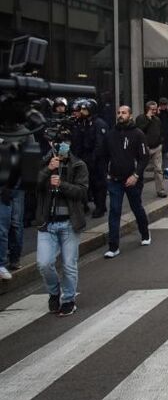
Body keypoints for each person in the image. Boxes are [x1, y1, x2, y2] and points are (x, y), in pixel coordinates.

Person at [35, 135, 89, 316]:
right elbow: (31, 185)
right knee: (44, 263)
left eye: (65, 143)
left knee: (69, 264)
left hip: (69, 223)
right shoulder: (44, 163)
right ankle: (54, 292)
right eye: (57, 144)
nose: (61, 147)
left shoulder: (78, 165)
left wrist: (62, 184)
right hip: (47, 223)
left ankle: (68, 300)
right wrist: (47, 170)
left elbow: (82, 192)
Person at [102, 105, 151, 259]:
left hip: (132, 179)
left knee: (137, 207)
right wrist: (106, 174)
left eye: (124, 113)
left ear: (130, 115)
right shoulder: (110, 135)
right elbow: (104, 156)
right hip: (115, 180)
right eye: (119, 113)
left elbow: (144, 158)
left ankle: (145, 234)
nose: (120, 115)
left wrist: (136, 175)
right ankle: (113, 246)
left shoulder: (138, 134)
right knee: (114, 210)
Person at [71, 98, 108, 217]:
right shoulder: (84, 122)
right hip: (86, 157)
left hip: (97, 159)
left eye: (84, 109)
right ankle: (93, 205)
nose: (82, 111)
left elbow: (100, 144)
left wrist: (93, 159)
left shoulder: (99, 123)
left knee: (99, 184)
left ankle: (100, 207)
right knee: (90, 183)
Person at [135, 100, 167, 197]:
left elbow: (161, 131)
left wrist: (161, 142)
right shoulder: (140, 118)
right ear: (147, 109)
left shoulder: (157, 120)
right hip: (145, 148)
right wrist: (148, 119)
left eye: (155, 109)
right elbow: (140, 130)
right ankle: (136, 190)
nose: (154, 111)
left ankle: (161, 190)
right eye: (152, 109)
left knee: (158, 170)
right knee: (140, 169)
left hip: (157, 147)